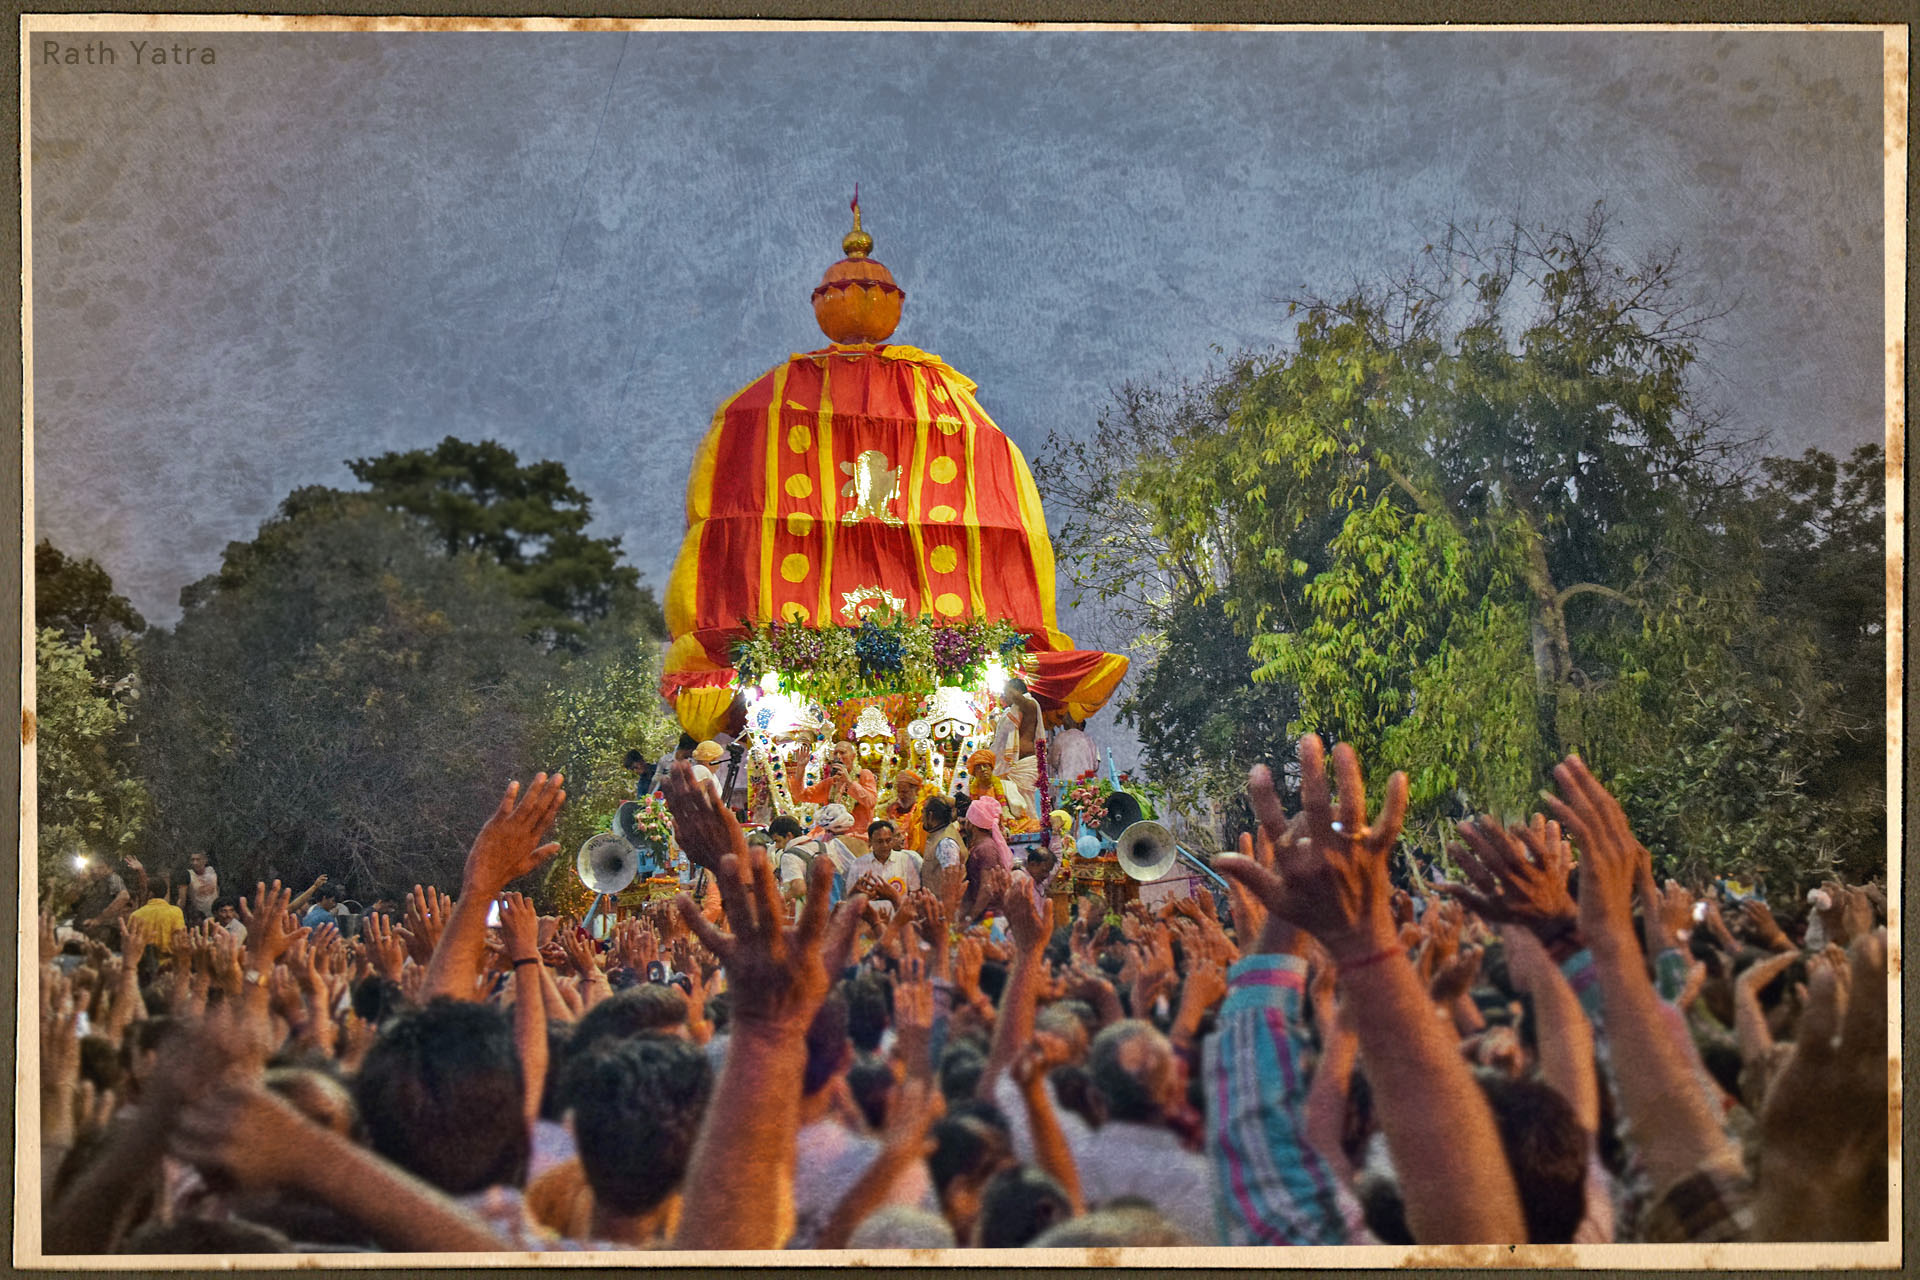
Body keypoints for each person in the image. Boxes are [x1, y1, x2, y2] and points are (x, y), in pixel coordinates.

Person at [797, 742, 878, 834]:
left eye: (843, 753)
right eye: (835, 753)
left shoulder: (864, 774)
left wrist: (849, 782)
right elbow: (802, 796)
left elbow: (870, 802)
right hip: (830, 835)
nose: (838, 757)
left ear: (853, 756)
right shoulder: (831, 782)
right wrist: (800, 769)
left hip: (857, 835)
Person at [847, 820, 921, 907]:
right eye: (880, 841)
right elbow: (850, 896)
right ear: (870, 841)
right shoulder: (858, 864)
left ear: (893, 839)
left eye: (888, 840)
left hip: (899, 916)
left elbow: (914, 892)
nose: (885, 845)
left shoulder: (905, 860)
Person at [69, 857, 130, 945]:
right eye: (92, 868)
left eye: (100, 867)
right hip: (84, 931)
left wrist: (98, 920)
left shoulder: (113, 878)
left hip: (101, 932)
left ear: (110, 868)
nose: (95, 871)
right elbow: (71, 902)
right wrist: (80, 883)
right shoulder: (92, 883)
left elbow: (124, 897)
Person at [128, 874, 188, 952]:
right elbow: (180, 939)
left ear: (151, 893)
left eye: (144, 891)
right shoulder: (176, 912)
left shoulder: (135, 915)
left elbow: (130, 944)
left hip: (145, 962)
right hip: (170, 961)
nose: (142, 893)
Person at [186, 853, 219, 924]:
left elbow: (217, 888)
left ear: (205, 860)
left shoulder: (212, 871)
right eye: (192, 860)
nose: (195, 863)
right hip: (199, 916)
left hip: (215, 914)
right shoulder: (188, 874)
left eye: (198, 859)